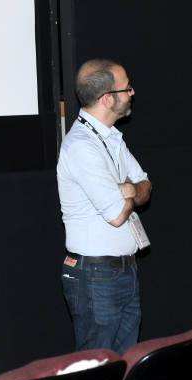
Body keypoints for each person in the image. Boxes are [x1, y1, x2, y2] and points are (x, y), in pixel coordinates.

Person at [57, 59, 151, 354]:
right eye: (127, 88)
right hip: (95, 277)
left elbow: (146, 186)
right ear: (108, 99)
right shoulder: (81, 146)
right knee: (96, 369)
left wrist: (128, 190)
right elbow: (117, 215)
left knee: (124, 365)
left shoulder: (111, 138)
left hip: (125, 270)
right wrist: (128, 193)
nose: (132, 93)